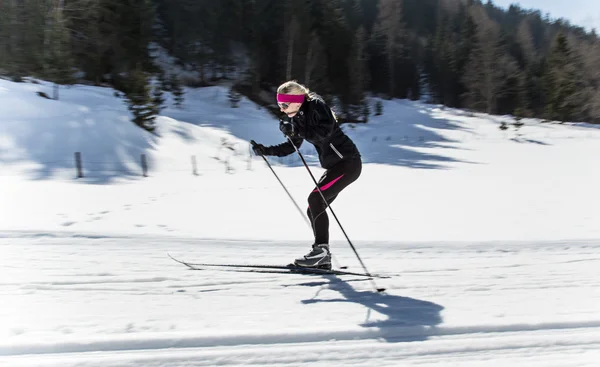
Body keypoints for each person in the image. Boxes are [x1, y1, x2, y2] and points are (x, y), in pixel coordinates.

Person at [251, 81, 362, 269]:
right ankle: (322, 256)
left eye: (284, 105)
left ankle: (321, 252)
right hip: (336, 166)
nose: (282, 109)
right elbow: (290, 147)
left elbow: (324, 133)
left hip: (348, 163)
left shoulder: (316, 106)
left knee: (315, 199)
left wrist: (296, 129)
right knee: (314, 206)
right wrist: (265, 150)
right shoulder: (297, 118)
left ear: (296, 101)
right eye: (279, 106)